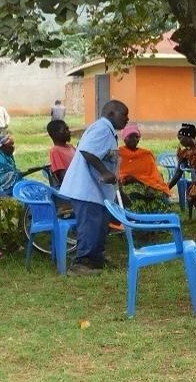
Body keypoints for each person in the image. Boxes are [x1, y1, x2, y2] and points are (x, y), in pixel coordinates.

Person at [59, 99, 128, 275]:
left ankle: (96, 260)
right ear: (111, 113)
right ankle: (81, 264)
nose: (127, 119)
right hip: (86, 189)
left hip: (96, 190)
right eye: (124, 115)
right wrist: (104, 172)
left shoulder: (108, 131)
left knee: (100, 225)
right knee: (90, 226)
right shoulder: (102, 128)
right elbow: (87, 151)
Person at [117, 124, 172, 213]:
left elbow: (155, 174)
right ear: (124, 139)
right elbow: (119, 174)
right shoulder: (119, 154)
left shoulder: (146, 155)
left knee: (160, 196)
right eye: (130, 136)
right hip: (128, 185)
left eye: (136, 136)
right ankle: (135, 218)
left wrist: (152, 187)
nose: (134, 139)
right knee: (133, 194)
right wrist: (128, 178)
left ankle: (159, 219)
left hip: (149, 184)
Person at [47, 119, 76, 186]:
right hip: (71, 184)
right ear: (55, 134)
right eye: (65, 129)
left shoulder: (71, 147)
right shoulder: (55, 151)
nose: (69, 131)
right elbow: (61, 175)